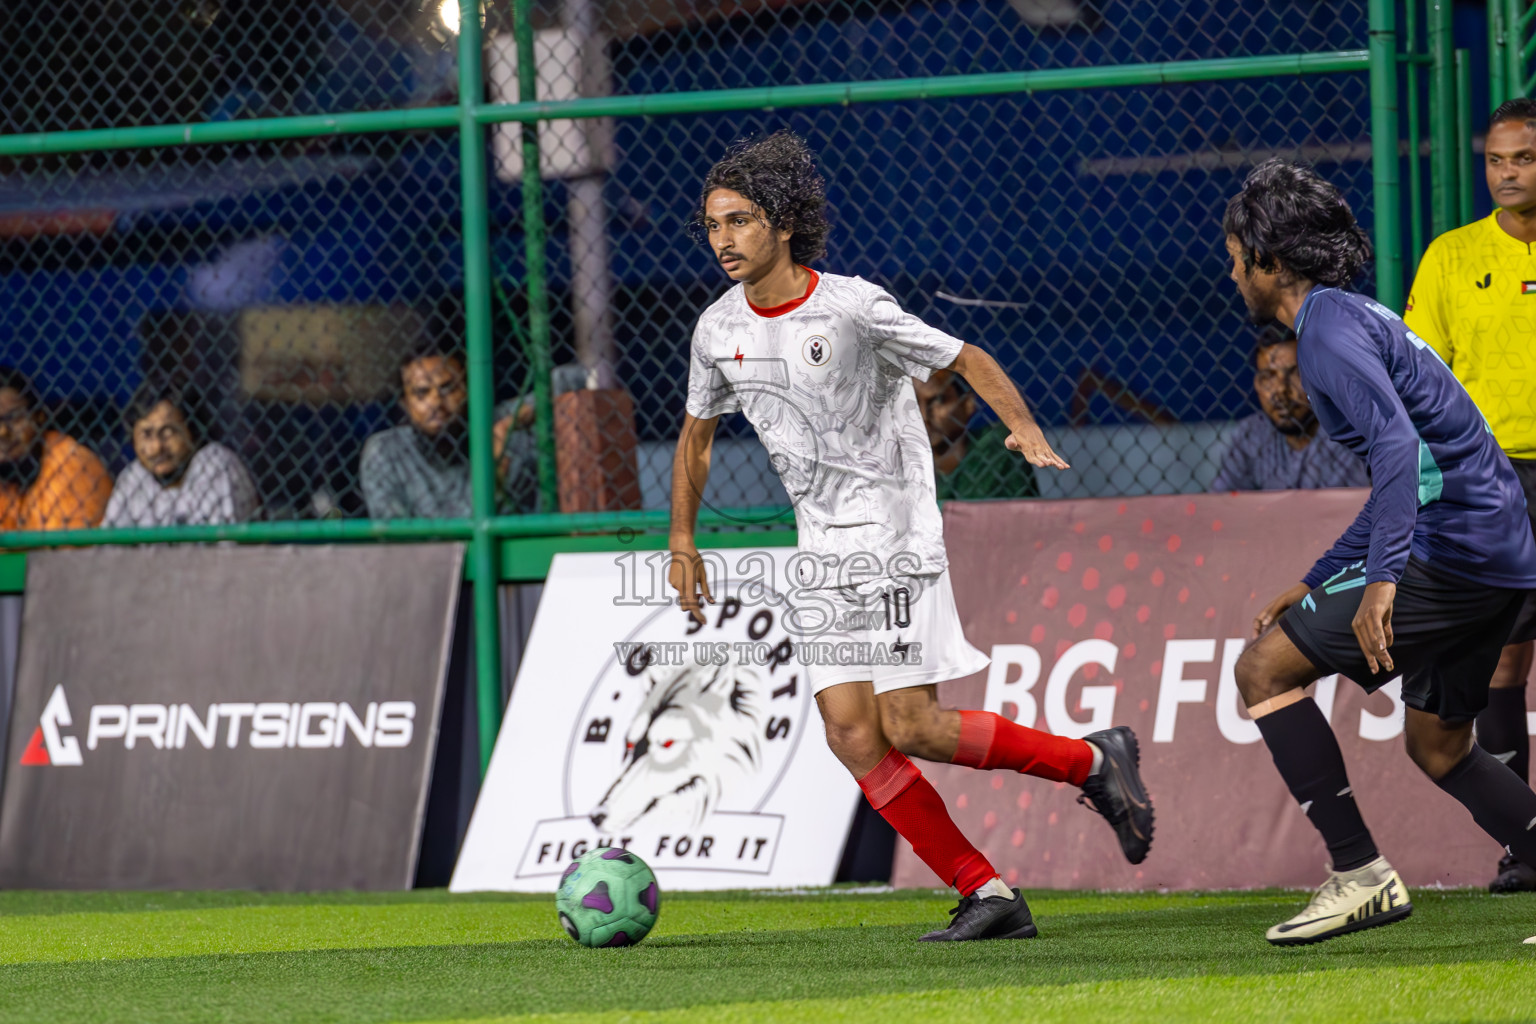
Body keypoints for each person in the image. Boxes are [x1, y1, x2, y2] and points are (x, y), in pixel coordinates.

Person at [667, 131, 1154, 942]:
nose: (723, 240)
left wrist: (1024, 428)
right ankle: (986, 890)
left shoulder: (854, 305)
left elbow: (967, 357)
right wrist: (681, 543)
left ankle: (1096, 763)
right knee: (851, 734)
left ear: (783, 223)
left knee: (912, 725)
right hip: (819, 550)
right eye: (712, 224)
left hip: (892, 533)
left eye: (740, 221)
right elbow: (696, 437)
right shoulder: (717, 330)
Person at [1223, 159, 1536, 946]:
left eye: (1235, 256)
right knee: (1439, 747)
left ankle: (1359, 874)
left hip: (1454, 548)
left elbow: (1398, 454)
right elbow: (1412, 467)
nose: (1230, 272)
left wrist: (1382, 582)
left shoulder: (1325, 333)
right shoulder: (1349, 316)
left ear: (1268, 258)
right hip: (1498, 549)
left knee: (1262, 670)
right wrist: (1318, 579)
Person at [1403, 97, 1536, 894]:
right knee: (1504, 656)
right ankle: (1525, 845)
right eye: (1495, 159)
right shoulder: (1451, 256)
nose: (1507, 173)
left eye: (1522, 158)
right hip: (1494, 485)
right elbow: (1423, 376)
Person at [360, 346, 576, 518]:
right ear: (405, 404)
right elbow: (398, 539)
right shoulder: (387, 452)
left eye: (448, 388)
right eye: (422, 393)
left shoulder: (499, 424)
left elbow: (575, 377)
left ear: (469, 391)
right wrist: (494, 480)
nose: (436, 402)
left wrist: (515, 421)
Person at [1210, 325, 1368, 492]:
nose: (1281, 390)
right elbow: (1221, 505)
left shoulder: (1349, 433)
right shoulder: (1250, 435)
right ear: (1257, 384)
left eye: (1295, 374)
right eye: (1268, 377)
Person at [103, 377, 259, 527]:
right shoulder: (134, 477)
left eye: (168, 432)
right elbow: (108, 548)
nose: (156, 447)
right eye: (146, 434)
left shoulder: (215, 464)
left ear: (193, 431)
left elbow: (223, 549)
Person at [0, 366, 112, 532]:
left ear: (39, 418)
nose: (2, 432)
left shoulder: (69, 464)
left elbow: (67, 555)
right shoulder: (9, 473)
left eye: (13, 418)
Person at [914, 367, 1039, 501]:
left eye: (937, 401)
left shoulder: (994, 449)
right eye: (913, 404)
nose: (923, 416)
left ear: (967, 404)